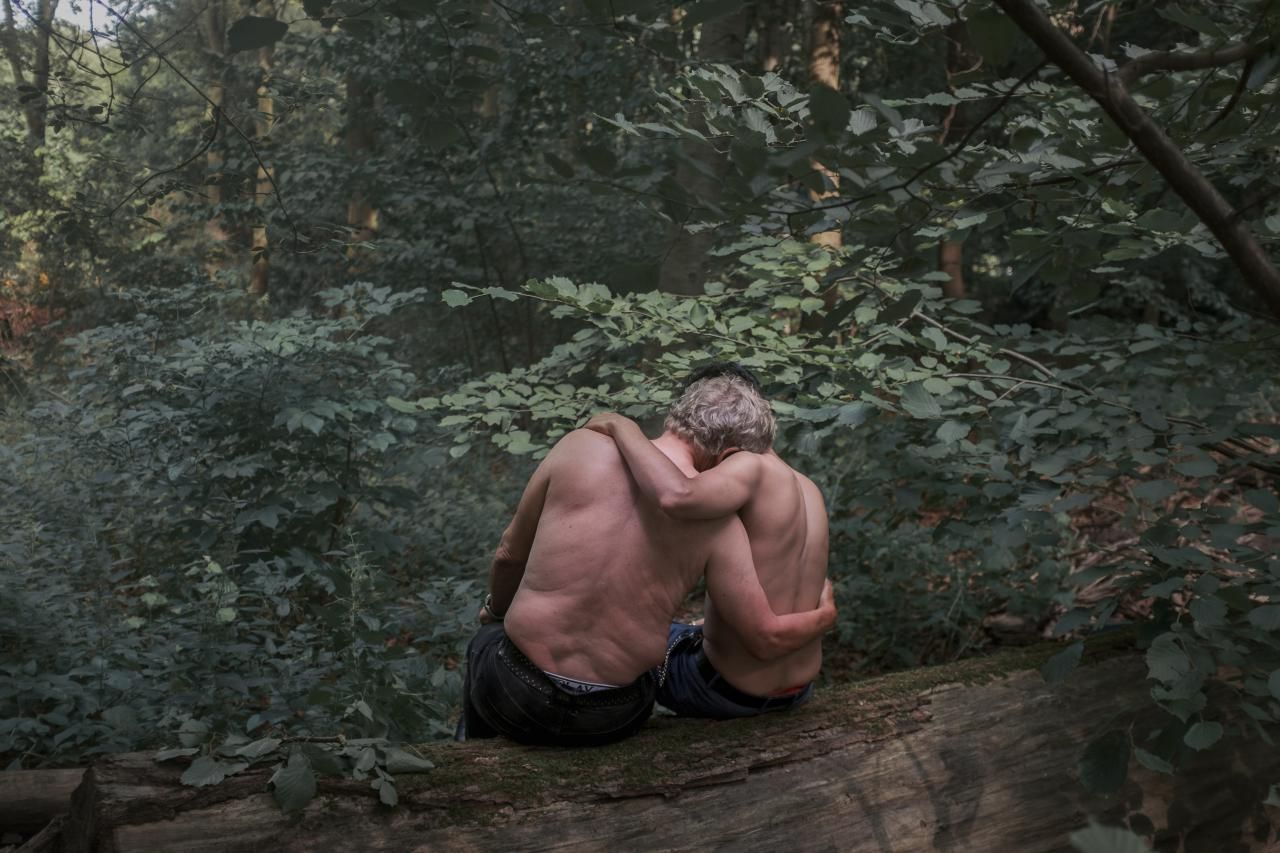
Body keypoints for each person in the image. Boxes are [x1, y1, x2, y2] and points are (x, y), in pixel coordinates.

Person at [458, 378, 836, 746]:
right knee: (655, 656)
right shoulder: (719, 523)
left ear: (676, 414)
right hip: (611, 715)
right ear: (728, 455)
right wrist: (822, 615)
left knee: (487, 639)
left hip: (513, 690)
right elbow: (760, 630)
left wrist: (496, 613)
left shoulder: (579, 447)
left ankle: (466, 754)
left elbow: (509, 555)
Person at [584, 364, 830, 719]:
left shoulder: (750, 466)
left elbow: (678, 496)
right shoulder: (807, 487)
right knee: (685, 630)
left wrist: (620, 427)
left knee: (619, 634)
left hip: (725, 691)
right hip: (796, 690)